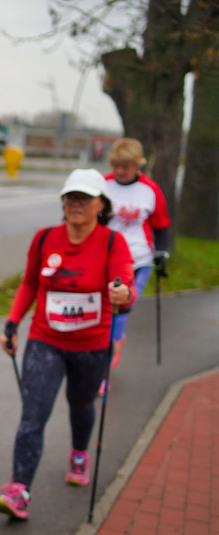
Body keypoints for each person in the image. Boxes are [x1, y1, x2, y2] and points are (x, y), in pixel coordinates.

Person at [0, 169, 135, 520]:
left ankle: (79, 452)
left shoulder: (113, 243)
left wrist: (123, 293)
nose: (76, 203)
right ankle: (19, 490)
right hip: (46, 340)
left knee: (80, 403)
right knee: (33, 412)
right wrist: (12, 323)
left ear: (101, 204)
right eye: (71, 196)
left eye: (84, 198)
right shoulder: (45, 239)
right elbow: (28, 285)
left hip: (91, 344)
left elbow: (125, 288)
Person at [102, 138, 170, 383]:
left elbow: (162, 227)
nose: (120, 171)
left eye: (126, 167)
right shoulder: (104, 185)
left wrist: (162, 255)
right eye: (117, 166)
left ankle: (109, 355)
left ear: (137, 165)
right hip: (107, 257)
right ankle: (112, 341)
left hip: (139, 259)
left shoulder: (149, 190)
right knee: (106, 307)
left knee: (125, 303)